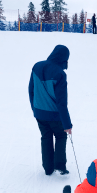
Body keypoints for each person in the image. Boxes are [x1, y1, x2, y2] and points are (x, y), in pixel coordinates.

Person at [29, 45, 72, 176]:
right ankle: (59, 165)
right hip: (55, 115)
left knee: (46, 137)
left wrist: (34, 109)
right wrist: (67, 125)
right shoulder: (60, 74)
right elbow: (61, 103)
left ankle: (48, 168)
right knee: (60, 135)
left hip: (40, 113)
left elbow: (31, 91)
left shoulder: (37, 66)